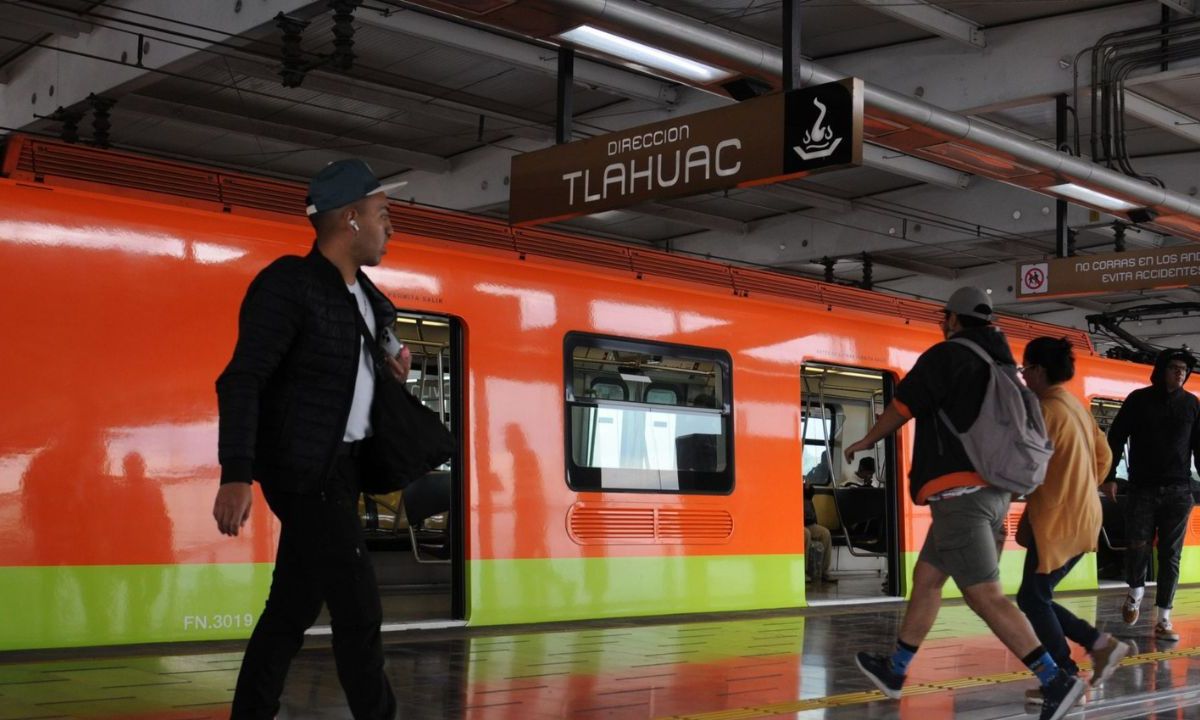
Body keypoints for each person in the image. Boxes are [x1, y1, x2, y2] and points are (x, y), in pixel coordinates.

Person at [213, 159, 410, 720]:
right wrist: (236, 473)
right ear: (350, 219)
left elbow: (350, 372)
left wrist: (390, 365)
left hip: (342, 470)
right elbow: (242, 378)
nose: (390, 228)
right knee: (358, 610)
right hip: (305, 472)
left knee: (290, 609)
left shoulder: (367, 299)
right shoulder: (288, 286)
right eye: (382, 215)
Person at [843, 287, 1086, 720]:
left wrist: (866, 439)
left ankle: (1056, 679)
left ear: (952, 319)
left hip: (962, 499)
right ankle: (896, 670)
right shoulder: (1003, 365)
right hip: (991, 494)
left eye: (945, 318)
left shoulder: (948, 356)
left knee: (986, 596)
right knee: (928, 578)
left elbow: (903, 405)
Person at [1016, 337, 1130, 706]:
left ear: (1038, 370)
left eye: (1025, 369)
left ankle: (1067, 675)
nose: (1024, 376)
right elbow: (1105, 454)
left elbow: (1026, 468)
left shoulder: (1045, 409)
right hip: (1083, 515)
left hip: (1057, 519)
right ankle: (1096, 649)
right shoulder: (1075, 406)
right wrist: (1082, 486)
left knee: (1033, 598)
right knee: (1036, 596)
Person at [1104, 348, 1200, 641]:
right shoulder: (1138, 400)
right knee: (1138, 547)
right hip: (1142, 488)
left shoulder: (1192, 405)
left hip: (1179, 489)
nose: (1180, 373)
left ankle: (1164, 619)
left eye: (1184, 369)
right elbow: (1116, 437)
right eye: (1174, 367)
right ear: (1160, 370)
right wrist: (1109, 477)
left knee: (1171, 554)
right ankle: (1134, 593)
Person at [804, 483, 836, 583]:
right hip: (794, 523)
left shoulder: (803, 487)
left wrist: (807, 487)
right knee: (806, 534)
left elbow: (810, 494)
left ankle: (823, 571)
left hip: (808, 521)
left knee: (825, 533)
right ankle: (802, 571)